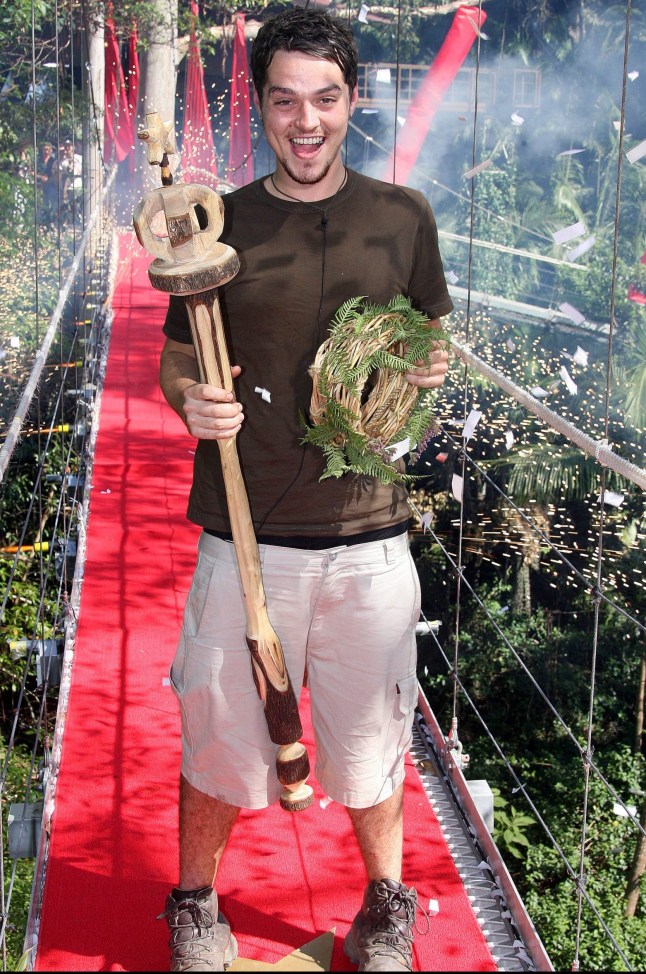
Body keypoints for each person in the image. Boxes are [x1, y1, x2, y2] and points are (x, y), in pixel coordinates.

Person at [158, 8, 453, 973]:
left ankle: (385, 910)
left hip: (370, 537)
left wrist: (420, 372)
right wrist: (193, 403)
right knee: (219, 740)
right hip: (246, 540)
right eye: (284, 100)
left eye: (325, 98)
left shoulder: (404, 217)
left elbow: (431, 341)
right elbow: (172, 364)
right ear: (262, 108)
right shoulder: (218, 224)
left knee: (374, 746)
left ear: (352, 101)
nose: (307, 120)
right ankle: (196, 907)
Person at [36, 141, 57, 224]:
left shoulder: (54, 161)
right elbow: (32, 172)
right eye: (44, 150)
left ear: (51, 151)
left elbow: (56, 173)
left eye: (48, 150)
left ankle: (51, 220)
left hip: (51, 185)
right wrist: (40, 177)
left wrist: (49, 179)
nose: (46, 151)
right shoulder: (38, 161)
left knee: (52, 202)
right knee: (41, 203)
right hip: (40, 185)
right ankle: (41, 220)